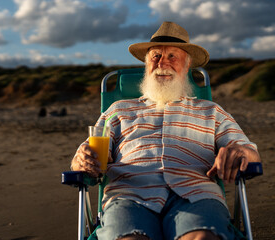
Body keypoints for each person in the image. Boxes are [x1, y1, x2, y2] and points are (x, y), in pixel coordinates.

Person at [70, 22, 261, 240]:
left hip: (196, 196)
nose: (163, 63)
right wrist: (81, 160)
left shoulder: (211, 111)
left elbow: (249, 150)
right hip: (129, 196)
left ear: (187, 66)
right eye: (156, 56)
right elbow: (87, 153)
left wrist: (241, 153)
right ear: (146, 64)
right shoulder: (118, 110)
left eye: (172, 56)